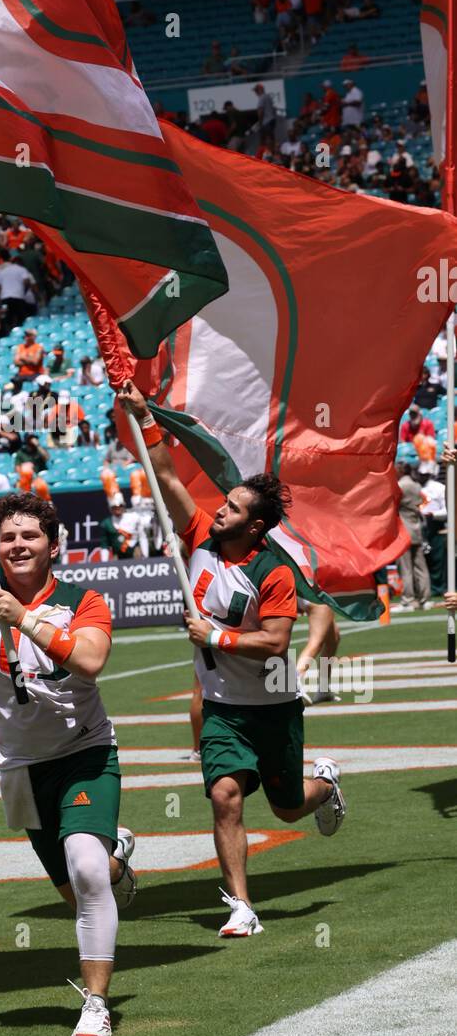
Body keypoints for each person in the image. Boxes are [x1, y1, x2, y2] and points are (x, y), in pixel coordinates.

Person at [119, 379, 346, 938]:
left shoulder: (273, 571)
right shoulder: (197, 535)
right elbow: (165, 476)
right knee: (224, 797)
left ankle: (327, 786)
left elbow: (273, 643)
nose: (220, 513)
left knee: (289, 807)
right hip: (222, 707)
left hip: (273, 703)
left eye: (233, 509)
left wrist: (213, 636)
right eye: (224, 504)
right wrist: (143, 417)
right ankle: (241, 905)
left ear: (257, 526)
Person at [0, 438, 136, 1036]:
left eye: (30, 536)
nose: (18, 545)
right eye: (7, 536)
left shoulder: (83, 601)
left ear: (54, 545)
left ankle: (96, 1004)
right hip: (21, 765)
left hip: (85, 754)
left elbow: (92, 660)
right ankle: (115, 854)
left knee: (86, 874)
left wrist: (24, 620)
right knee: (71, 887)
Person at [396, 461, 431, 609]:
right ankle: (425, 598)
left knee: (406, 568)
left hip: (403, 530)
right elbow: (423, 503)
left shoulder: (400, 486)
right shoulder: (417, 486)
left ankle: (408, 600)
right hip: (416, 528)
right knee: (420, 567)